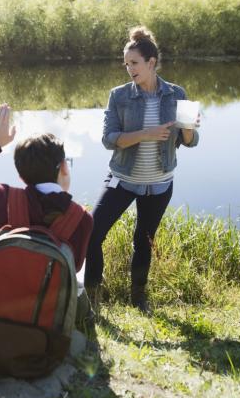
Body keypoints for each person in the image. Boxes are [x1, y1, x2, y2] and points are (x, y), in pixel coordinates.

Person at [84, 26, 200, 313]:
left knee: (144, 242)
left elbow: (190, 141)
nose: (129, 69)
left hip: (159, 184)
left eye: (134, 63)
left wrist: (188, 128)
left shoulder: (176, 93)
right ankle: (92, 297)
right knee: (91, 233)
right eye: (126, 64)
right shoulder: (119, 96)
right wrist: (145, 134)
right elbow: (109, 140)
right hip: (122, 180)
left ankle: (138, 298)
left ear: (151, 62)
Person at [0, 104, 93, 274]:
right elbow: (72, 269)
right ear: (64, 168)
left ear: (22, 177)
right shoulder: (82, 220)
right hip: (50, 300)